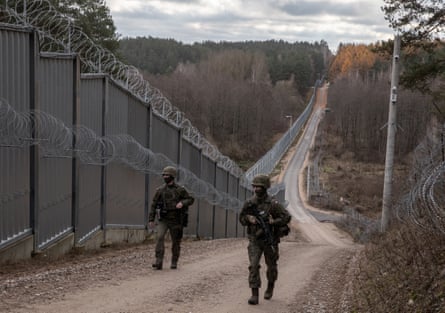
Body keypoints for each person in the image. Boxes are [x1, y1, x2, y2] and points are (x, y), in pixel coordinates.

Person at [239, 174, 291, 305]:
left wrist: (274, 222)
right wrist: (249, 219)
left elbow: (286, 217)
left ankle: (270, 286)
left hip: (270, 240)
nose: (256, 189)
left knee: (271, 267)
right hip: (255, 239)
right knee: (253, 266)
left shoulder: (273, 204)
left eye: (259, 187)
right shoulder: (250, 203)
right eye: (254, 186)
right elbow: (242, 218)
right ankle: (254, 294)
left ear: (265, 187)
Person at [148, 166, 194, 270]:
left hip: (176, 219)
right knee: (159, 237)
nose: (165, 177)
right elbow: (154, 205)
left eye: (167, 175)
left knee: (176, 241)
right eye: (163, 175)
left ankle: (174, 261)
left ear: (172, 176)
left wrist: (182, 203)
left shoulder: (180, 190)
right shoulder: (160, 190)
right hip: (163, 219)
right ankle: (158, 261)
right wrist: (151, 219)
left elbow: (190, 199)